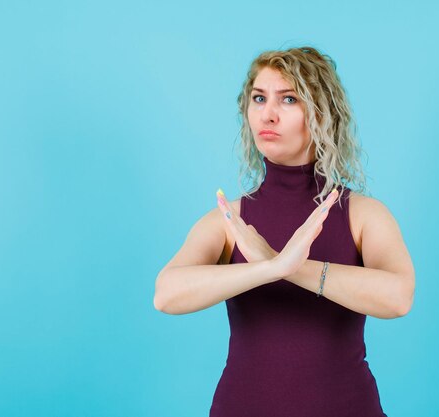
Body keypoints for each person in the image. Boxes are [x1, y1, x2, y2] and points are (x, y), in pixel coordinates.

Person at [154, 46, 415, 417]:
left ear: (322, 113)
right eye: (259, 98)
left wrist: (290, 266)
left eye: (288, 99)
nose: (268, 114)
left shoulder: (362, 215)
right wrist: (268, 269)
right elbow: (166, 294)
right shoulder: (230, 221)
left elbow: (398, 297)